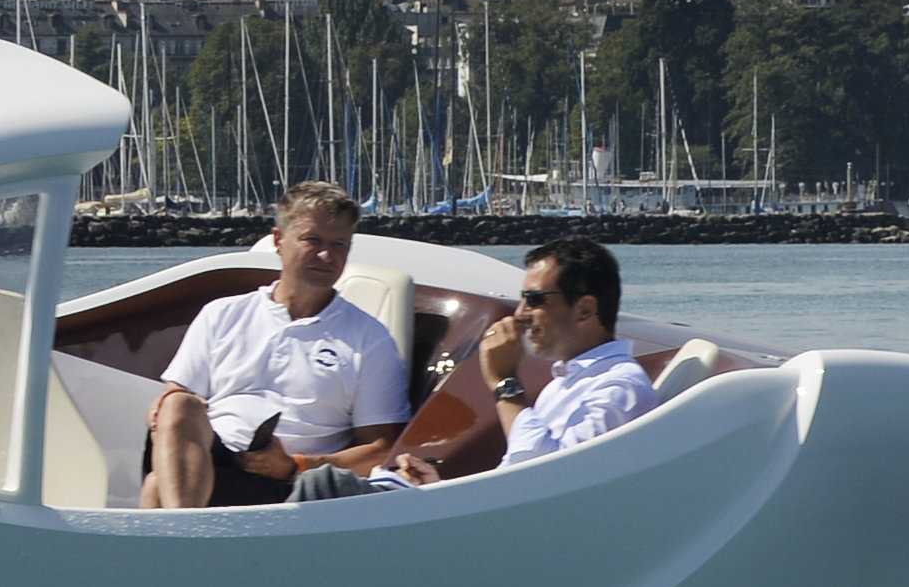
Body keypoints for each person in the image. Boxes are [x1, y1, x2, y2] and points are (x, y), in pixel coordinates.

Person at [286, 234, 652, 502]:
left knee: (323, 489)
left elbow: (547, 479)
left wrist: (505, 383)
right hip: (495, 521)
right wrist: (440, 486)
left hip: (514, 536)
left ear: (586, 309)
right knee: (326, 485)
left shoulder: (620, 388)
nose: (521, 314)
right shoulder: (568, 383)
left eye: (535, 300)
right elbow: (517, 476)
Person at [144, 182, 408, 508]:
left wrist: (296, 465)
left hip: (290, 486)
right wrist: (168, 406)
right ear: (279, 241)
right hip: (215, 455)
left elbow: (382, 448)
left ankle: (178, 538)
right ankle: (186, 533)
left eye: (340, 244)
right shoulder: (222, 314)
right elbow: (171, 407)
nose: (327, 256)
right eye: (313, 240)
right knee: (179, 405)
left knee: (158, 487)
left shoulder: (370, 339)